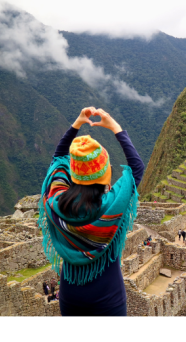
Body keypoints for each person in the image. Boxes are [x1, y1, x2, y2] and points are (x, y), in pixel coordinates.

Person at [38, 107, 144, 316]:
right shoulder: (112, 206)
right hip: (108, 300)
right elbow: (136, 168)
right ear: (104, 174)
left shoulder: (56, 203)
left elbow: (58, 159)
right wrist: (115, 126)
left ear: (73, 174)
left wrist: (76, 125)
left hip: (71, 299)